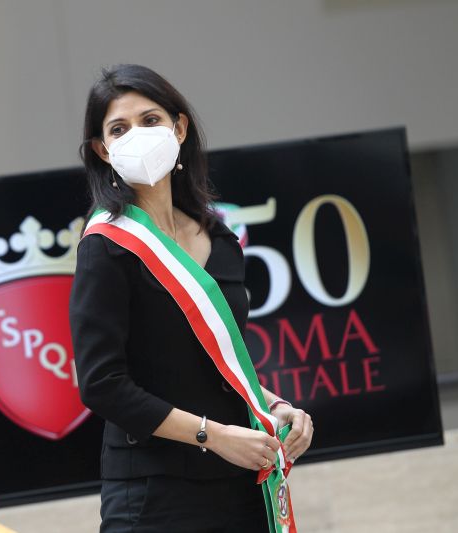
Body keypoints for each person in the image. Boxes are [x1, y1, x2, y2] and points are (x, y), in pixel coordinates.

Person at [68, 64, 314, 533]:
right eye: (119, 129)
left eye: (150, 120)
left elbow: (219, 366)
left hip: (240, 484)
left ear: (179, 128)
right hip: (154, 492)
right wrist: (213, 436)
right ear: (102, 149)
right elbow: (101, 383)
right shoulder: (106, 245)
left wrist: (275, 406)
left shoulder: (218, 238)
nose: (137, 135)